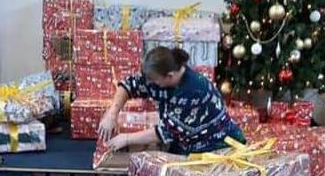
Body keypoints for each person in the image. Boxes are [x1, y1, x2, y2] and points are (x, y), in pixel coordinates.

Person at [98, 46, 245, 155]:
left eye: (155, 82)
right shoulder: (159, 75)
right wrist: (112, 114)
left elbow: (165, 132)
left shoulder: (192, 91)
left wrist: (127, 139)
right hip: (184, 141)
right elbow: (129, 85)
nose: (152, 85)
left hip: (215, 145)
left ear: (170, 76)